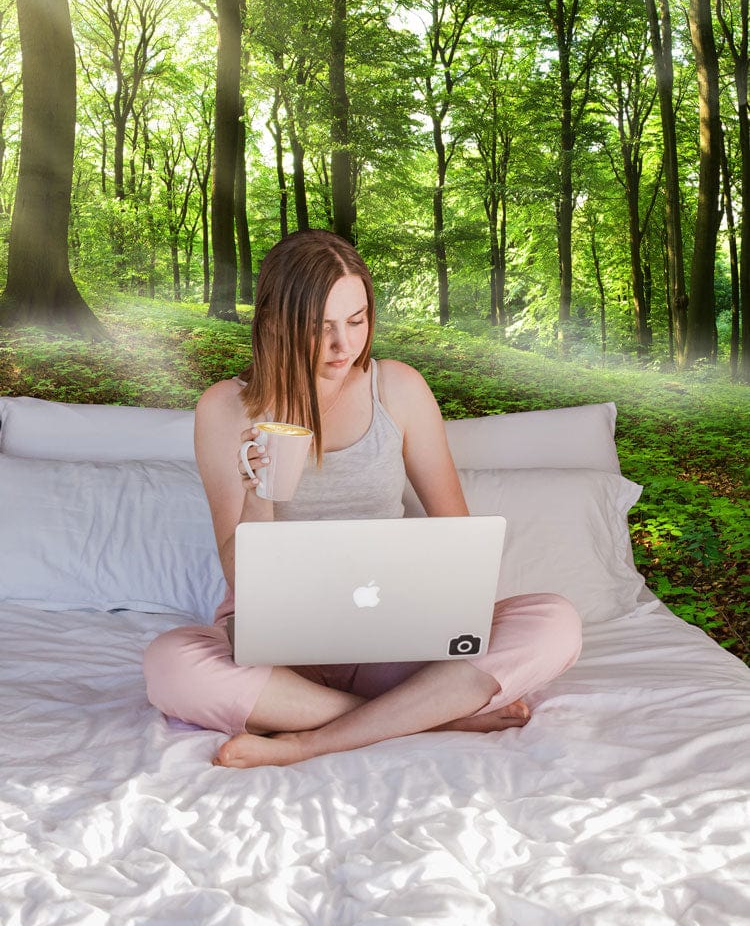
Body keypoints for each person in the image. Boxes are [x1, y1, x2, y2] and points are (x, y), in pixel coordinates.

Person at [144, 229, 582, 769]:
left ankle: (308, 738)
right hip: (279, 647)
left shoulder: (396, 388)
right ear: (275, 321)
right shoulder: (225, 408)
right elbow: (241, 580)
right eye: (319, 327)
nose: (343, 346)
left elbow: (460, 540)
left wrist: (428, 605)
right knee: (170, 665)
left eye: (356, 321)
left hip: (393, 634)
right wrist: (259, 494)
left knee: (555, 621)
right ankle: (428, 714)